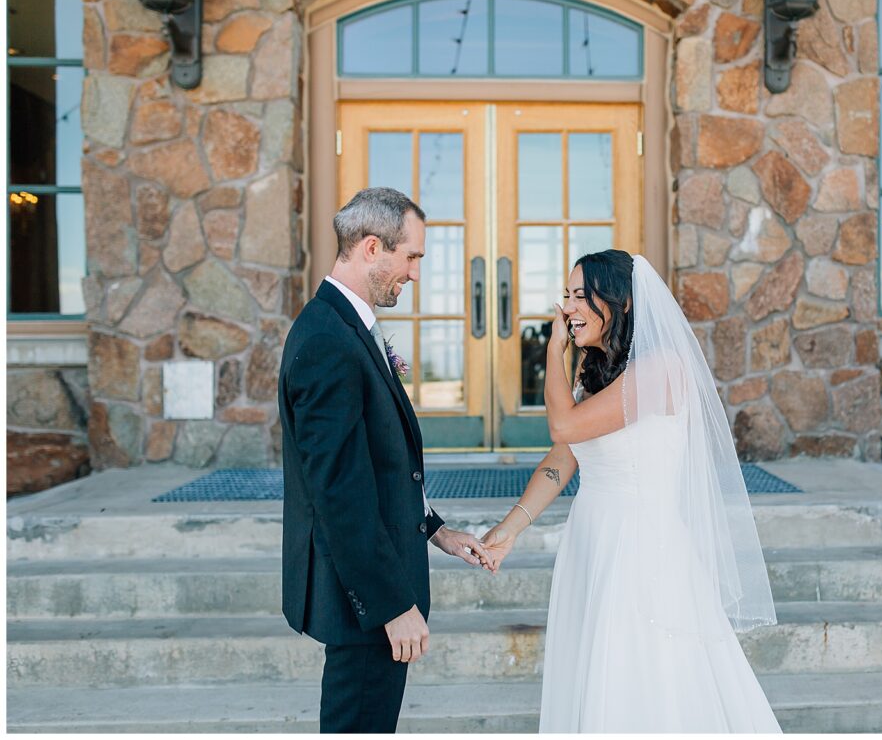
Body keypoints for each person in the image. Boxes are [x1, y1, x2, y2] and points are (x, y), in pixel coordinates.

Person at [482, 249, 781, 732]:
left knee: (642, 680)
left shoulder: (663, 371)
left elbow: (563, 426)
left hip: (641, 551)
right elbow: (564, 457)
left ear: (619, 303)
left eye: (582, 296)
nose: (569, 308)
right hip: (592, 543)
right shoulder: (594, 372)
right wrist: (511, 527)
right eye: (566, 296)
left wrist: (552, 352)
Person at [279, 187, 493, 733]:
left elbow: (378, 465)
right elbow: (339, 490)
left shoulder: (347, 325)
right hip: (365, 602)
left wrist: (436, 529)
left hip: (376, 581)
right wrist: (391, 606)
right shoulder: (328, 338)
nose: (416, 273)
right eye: (412, 256)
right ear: (372, 247)